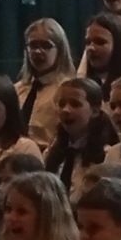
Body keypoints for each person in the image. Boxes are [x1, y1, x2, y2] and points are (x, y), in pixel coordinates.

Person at [45, 76, 113, 192]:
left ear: (95, 111)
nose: (65, 110)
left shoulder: (107, 155)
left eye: (75, 104)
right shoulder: (50, 153)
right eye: (62, 104)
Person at [18, 19, 76, 149]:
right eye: (33, 45)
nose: (38, 51)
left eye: (46, 46)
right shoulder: (18, 89)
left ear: (60, 50)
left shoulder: (67, 89)